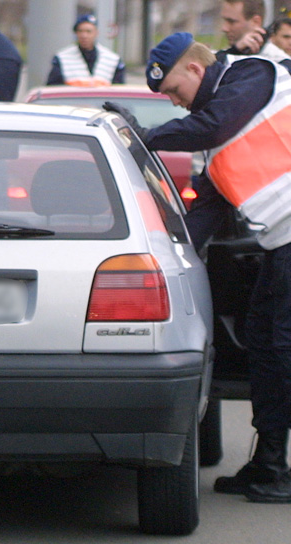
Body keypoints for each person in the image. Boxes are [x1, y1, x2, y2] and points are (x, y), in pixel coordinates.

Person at [107, 32, 291, 503]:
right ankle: (269, 465)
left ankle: (274, 467)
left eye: (174, 91)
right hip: (279, 243)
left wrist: (145, 137)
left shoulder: (252, 74)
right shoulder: (210, 143)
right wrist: (161, 252)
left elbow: (213, 124)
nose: (174, 102)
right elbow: (203, 217)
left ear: (195, 69)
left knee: (281, 349)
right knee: (266, 348)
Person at [46, 14, 125, 86]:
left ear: (96, 33)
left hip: (103, 101)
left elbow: (119, 90)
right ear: (76, 33)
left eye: (88, 31)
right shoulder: (62, 58)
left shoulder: (112, 59)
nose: (84, 35)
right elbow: (53, 87)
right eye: (80, 31)